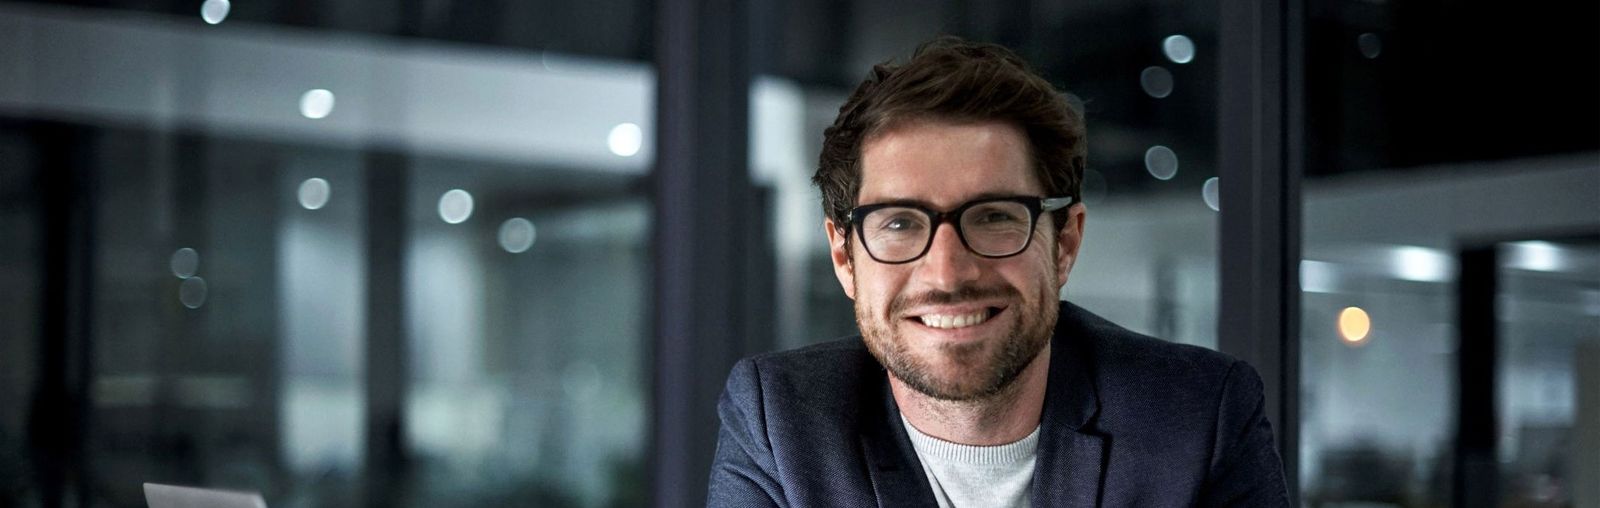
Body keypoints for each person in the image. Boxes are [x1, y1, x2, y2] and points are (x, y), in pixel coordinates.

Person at [707, 37, 1290, 507]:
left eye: (992, 217)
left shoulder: (1197, 416)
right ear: (844, 259)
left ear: (1064, 241)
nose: (947, 271)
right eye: (899, 224)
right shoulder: (780, 422)